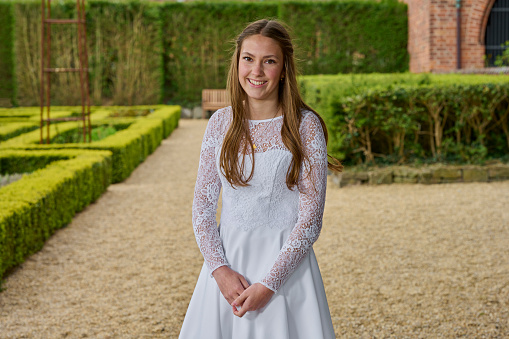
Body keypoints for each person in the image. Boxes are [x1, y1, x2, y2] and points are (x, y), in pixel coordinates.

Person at [179, 19, 343, 339]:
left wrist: (269, 284)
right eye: (248, 59)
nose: (256, 71)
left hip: (286, 270)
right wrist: (220, 270)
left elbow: (310, 220)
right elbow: (202, 206)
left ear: (283, 69)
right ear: (237, 62)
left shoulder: (304, 126)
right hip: (228, 266)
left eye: (269, 61)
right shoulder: (220, 123)